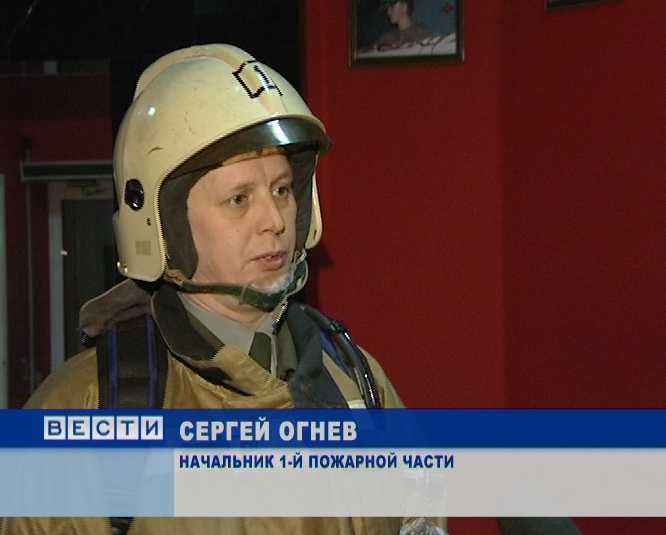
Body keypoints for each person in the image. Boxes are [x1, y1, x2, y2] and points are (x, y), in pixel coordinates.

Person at [0, 44, 447, 535]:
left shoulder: (356, 379)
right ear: (165, 225)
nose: (274, 220)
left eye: (281, 190)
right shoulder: (84, 411)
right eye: (239, 199)